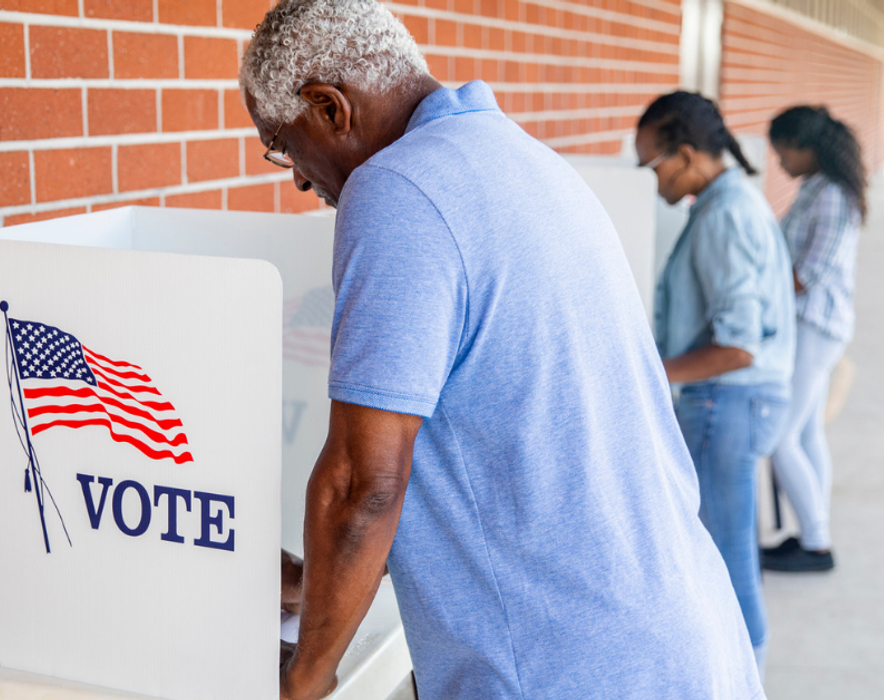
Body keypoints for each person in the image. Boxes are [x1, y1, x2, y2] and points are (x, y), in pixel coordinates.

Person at [241, 3, 764, 699]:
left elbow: (361, 483)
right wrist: (320, 586)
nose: (299, 180)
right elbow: (511, 446)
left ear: (328, 107)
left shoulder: (395, 189)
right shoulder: (519, 158)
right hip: (677, 636)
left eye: (280, 144)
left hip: (565, 668)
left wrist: (304, 678)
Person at [635, 91, 796, 672]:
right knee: (726, 543)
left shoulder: (725, 214)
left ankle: (744, 674)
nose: (651, 182)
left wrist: (652, 375)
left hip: (727, 402)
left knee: (725, 552)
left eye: (651, 165)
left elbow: (737, 345)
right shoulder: (730, 201)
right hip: (738, 402)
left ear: (685, 155)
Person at [762, 106, 866, 572]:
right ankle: (811, 532)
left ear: (807, 148)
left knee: (778, 436)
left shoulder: (830, 197)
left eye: (784, 151)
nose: (780, 161)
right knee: (805, 433)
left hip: (813, 327)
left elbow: (808, 275)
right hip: (815, 326)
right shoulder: (820, 188)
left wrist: (754, 290)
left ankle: (817, 544)